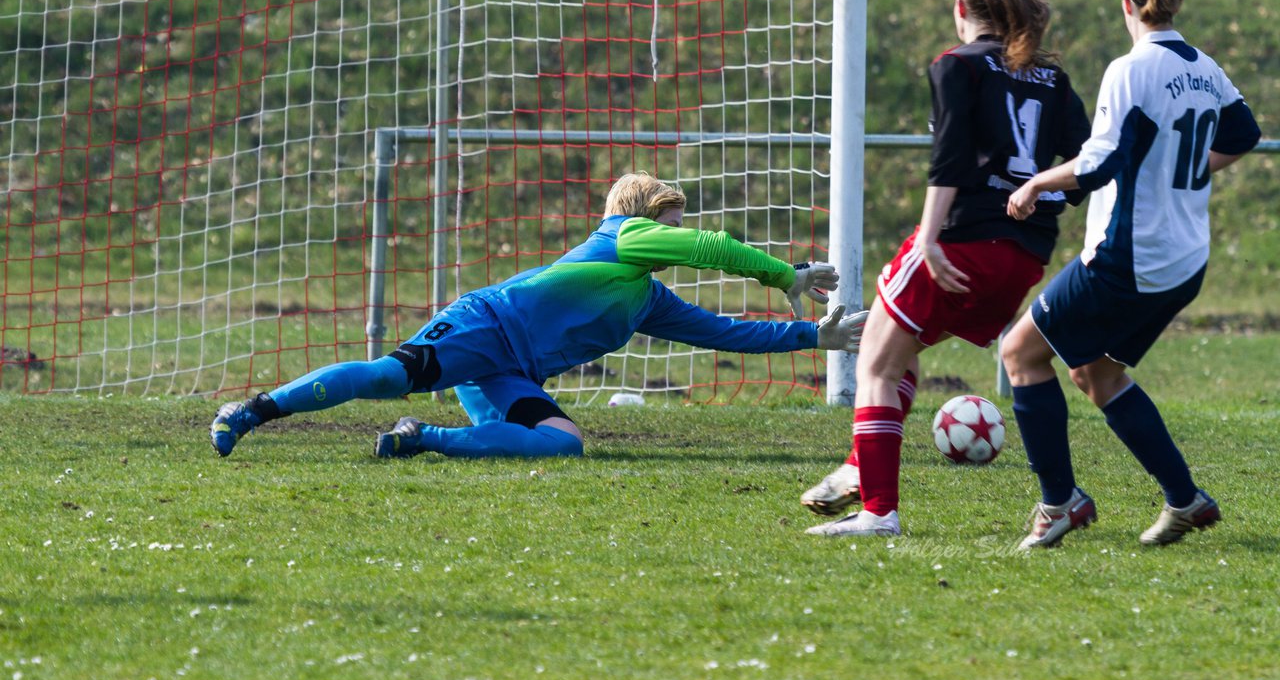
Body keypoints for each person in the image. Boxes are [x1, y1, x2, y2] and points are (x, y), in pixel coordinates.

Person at [209, 172, 868, 460]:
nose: (675, 235)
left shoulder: (646, 295)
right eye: (669, 220)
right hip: (481, 327)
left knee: (564, 442)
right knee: (385, 375)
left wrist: (813, 335)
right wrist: (787, 274)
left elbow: (723, 333)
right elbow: (710, 248)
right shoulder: (624, 237)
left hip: (511, 370)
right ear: (640, 218)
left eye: (676, 225)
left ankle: (422, 439)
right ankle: (253, 412)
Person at [803, 0, 1092, 537]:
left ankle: (878, 509)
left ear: (960, 10)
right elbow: (1089, 164)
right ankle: (861, 466)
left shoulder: (955, 65)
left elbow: (950, 161)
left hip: (962, 242)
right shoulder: (1050, 77)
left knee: (875, 364)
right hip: (1022, 258)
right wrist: (1046, 195)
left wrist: (929, 239)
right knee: (897, 346)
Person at [1002, 0, 1260, 549]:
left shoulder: (1130, 68)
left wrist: (1038, 182)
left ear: (1127, 3)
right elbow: (1244, 133)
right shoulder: (1203, 67)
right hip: (1185, 260)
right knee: (1095, 372)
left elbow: (1095, 167)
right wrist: (1187, 169)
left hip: (1130, 259)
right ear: (1177, 0)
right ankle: (1185, 500)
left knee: (1020, 354)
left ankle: (1058, 503)